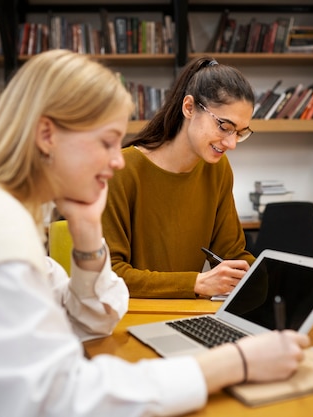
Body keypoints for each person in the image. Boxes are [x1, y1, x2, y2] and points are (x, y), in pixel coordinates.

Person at [0, 50, 310, 417]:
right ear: (47, 135)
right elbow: (60, 399)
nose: (119, 160)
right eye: (105, 142)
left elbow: (91, 318)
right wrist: (230, 362)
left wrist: (86, 235)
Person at [102, 57, 256, 299]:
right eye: (224, 127)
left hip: (189, 316)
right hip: (130, 316)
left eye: (240, 133)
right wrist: (196, 283)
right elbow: (111, 274)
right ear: (189, 107)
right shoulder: (121, 170)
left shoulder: (217, 168)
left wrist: (269, 278)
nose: (231, 143)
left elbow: (232, 254)